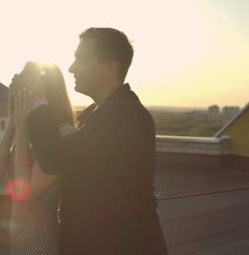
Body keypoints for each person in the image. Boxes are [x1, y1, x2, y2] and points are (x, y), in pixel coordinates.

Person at [27, 28, 169, 254]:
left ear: (110, 67)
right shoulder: (100, 114)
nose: (72, 68)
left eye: (81, 59)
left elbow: (54, 158)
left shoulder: (125, 115)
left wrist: (38, 102)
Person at [0, 61, 75, 255]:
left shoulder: (62, 133)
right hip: (19, 241)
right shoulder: (27, 131)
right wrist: (13, 120)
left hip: (41, 241)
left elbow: (24, 192)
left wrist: (21, 129)